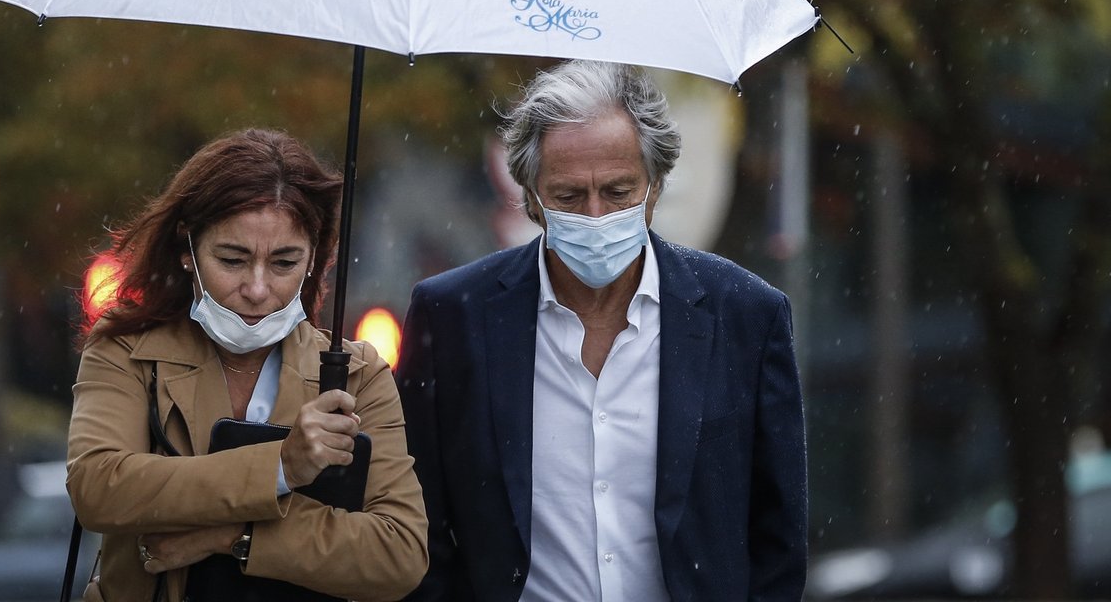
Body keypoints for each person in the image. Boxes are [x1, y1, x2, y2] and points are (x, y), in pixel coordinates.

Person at [396, 61, 807, 602]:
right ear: (531, 197)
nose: (595, 215)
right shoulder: (453, 316)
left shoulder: (746, 315)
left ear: (655, 187)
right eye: (568, 196)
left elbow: (779, 534)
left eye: (617, 191)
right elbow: (415, 522)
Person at [67, 128, 428, 602]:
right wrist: (279, 466)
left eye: (284, 263)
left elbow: (399, 554)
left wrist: (233, 536)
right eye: (233, 260)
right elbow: (98, 486)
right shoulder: (128, 348)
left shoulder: (359, 373)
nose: (258, 290)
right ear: (186, 250)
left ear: (314, 258)